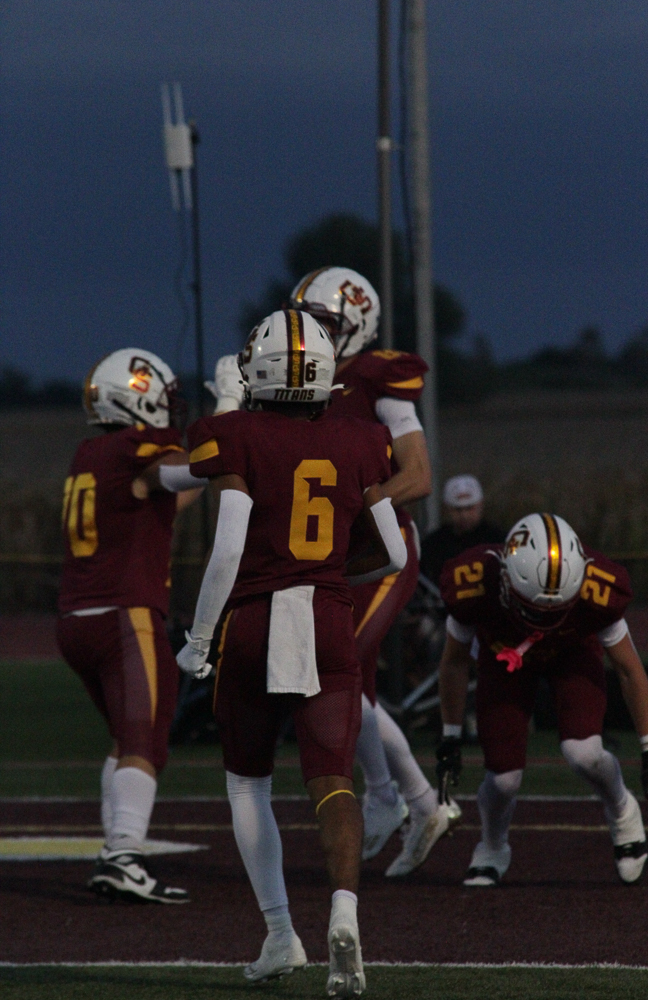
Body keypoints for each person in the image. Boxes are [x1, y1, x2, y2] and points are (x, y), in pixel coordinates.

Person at [178, 309, 407, 996]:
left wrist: (196, 639)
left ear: (262, 368)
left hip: (251, 620)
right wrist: (333, 566)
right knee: (333, 779)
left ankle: (280, 933)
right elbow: (391, 551)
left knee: (248, 781)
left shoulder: (231, 434)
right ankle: (343, 909)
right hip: (330, 616)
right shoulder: (361, 439)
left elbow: (227, 543)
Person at [290, 266, 457, 877]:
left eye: (326, 322)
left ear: (356, 326)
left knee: (335, 669)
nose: (312, 333)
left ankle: (403, 798)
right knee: (345, 680)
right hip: (337, 552)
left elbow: (418, 477)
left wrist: (356, 506)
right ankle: (403, 799)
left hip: (384, 549)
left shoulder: (374, 375)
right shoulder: (308, 379)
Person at [436, 512, 648, 887]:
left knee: (585, 753)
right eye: (533, 609)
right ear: (507, 580)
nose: (542, 621)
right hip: (503, 654)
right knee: (504, 779)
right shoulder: (475, 581)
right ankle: (492, 846)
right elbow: (454, 662)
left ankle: (623, 811)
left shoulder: (597, 588)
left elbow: (628, 669)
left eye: (554, 610)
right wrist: (449, 735)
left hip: (572, 652)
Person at [56, 348, 205, 903]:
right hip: (126, 615)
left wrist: (213, 469)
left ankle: (116, 849)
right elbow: (180, 472)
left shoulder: (91, 452)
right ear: (136, 397)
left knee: (127, 737)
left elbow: (166, 493)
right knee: (145, 738)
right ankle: (124, 853)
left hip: (77, 620)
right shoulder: (133, 448)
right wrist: (235, 441)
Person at [420, 475, 504, 587]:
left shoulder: (497, 540)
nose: (464, 515)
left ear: (480, 505)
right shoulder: (433, 545)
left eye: (469, 508)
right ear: (447, 509)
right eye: (458, 509)